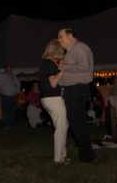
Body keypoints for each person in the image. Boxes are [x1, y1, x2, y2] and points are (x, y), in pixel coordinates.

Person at [57, 28, 97, 163]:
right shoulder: (71, 50)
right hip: (73, 90)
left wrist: (65, 67)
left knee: (76, 123)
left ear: (70, 36)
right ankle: (86, 153)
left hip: (77, 90)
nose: (59, 40)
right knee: (77, 123)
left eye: (61, 36)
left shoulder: (79, 47)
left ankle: (88, 154)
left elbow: (85, 67)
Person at [39, 39, 69, 164]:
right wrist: (62, 70)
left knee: (63, 125)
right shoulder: (49, 64)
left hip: (47, 98)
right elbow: (53, 83)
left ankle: (63, 155)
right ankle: (58, 159)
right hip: (53, 98)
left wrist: (60, 67)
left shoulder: (46, 63)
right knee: (61, 128)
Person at [0, 63, 21, 129]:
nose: (9, 69)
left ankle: (12, 125)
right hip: (5, 97)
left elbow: (18, 85)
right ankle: (7, 125)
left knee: (13, 111)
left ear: (11, 69)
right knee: (6, 111)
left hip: (13, 97)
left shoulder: (14, 76)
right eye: (8, 68)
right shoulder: (1, 76)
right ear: (5, 69)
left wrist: (17, 92)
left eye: (10, 68)